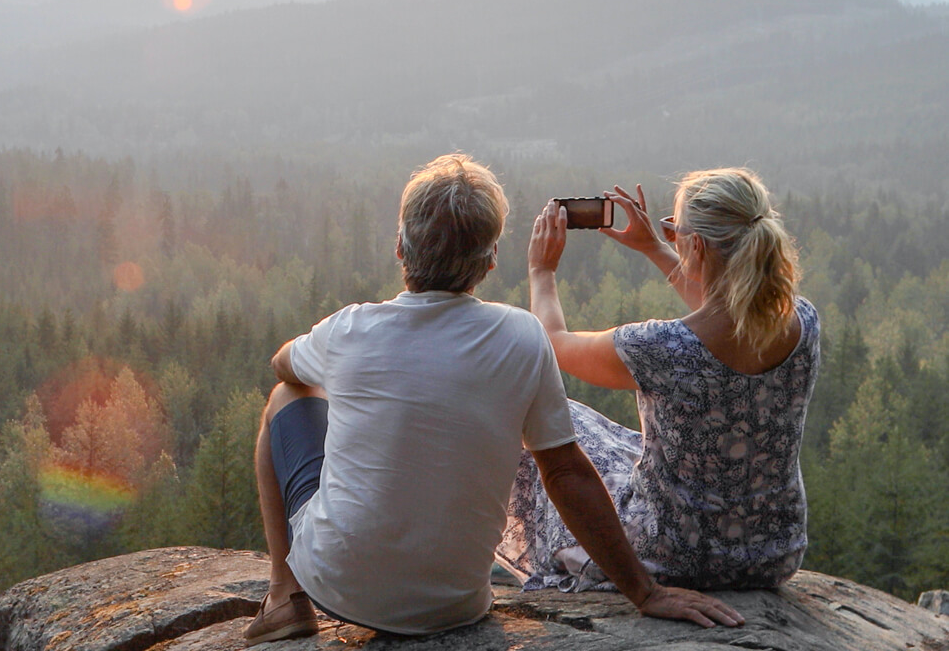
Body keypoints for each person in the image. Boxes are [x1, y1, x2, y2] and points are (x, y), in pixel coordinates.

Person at [247, 154, 741, 644]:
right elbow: (566, 473)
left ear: (401, 248)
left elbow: (283, 365)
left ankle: (285, 596)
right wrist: (645, 592)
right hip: (454, 605)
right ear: (489, 261)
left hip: (338, 588)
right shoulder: (521, 336)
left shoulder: (350, 328)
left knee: (284, 397)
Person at [498, 169, 817, 593]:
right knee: (623, 447)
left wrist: (541, 271)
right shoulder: (802, 322)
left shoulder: (661, 347)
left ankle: (563, 562)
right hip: (774, 553)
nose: (670, 233)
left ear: (697, 245)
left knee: (546, 423)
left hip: (675, 556)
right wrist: (656, 247)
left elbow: (553, 343)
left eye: (675, 229)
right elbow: (728, 309)